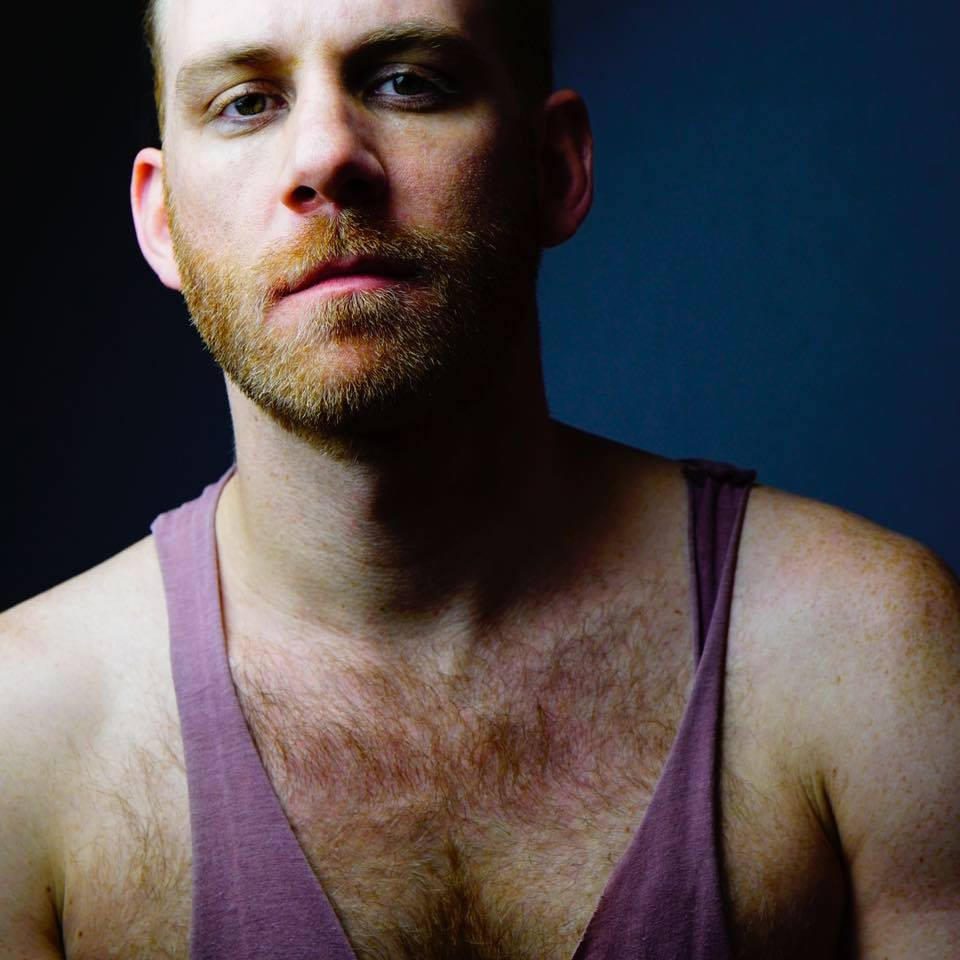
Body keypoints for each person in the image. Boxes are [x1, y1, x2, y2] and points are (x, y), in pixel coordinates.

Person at [2, 0, 957, 957]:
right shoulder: (24, 735)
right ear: (161, 219)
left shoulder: (864, 652)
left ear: (555, 167)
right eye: (247, 103)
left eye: (408, 82)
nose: (326, 157)